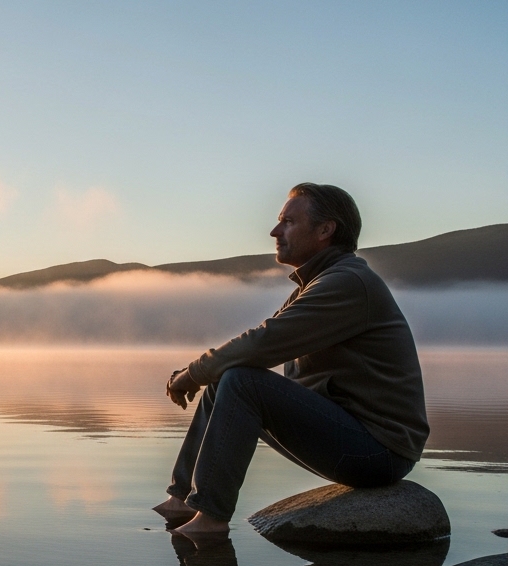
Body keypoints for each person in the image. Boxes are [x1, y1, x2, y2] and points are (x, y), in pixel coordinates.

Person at [155, 183, 429, 536]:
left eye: (288, 222)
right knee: (227, 378)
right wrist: (204, 373)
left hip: (380, 452)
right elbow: (257, 344)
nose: (275, 231)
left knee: (241, 381)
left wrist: (191, 374)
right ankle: (181, 500)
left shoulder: (348, 283)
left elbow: (262, 343)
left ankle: (211, 519)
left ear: (325, 230)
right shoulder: (320, 282)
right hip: (355, 436)